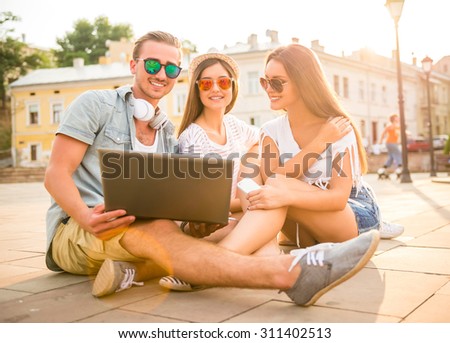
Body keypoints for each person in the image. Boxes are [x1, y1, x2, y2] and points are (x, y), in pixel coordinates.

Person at [44, 31, 380, 307]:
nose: (162, 74)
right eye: (152, 64)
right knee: (171, 232)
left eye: (172, 69)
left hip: (137, 227)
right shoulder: (96, 104)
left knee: (205, 230)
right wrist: (87, 217)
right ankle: (285, 273)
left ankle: (129, 272)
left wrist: (198, 216)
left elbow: (170, 199)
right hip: (82, 228)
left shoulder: (165, 132)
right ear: (133, 64)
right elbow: (55, 174)